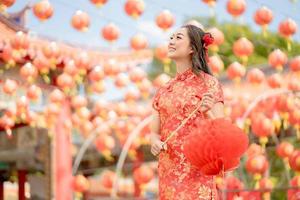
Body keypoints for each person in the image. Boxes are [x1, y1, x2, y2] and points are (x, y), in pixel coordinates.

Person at [150, 24, 225, 200]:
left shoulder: (209, 84)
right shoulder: (163, 89)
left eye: (178, 38)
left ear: (192, 48)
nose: (171, 41)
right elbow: (154, 132)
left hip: (198, 172)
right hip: (168, 172)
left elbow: (222, 134)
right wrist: (154, 142)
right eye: (171, 37)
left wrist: (208, 113)